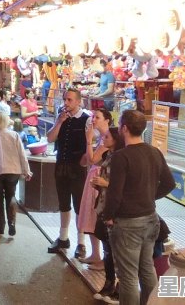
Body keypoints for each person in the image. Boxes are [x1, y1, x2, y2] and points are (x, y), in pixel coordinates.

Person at [102, 110, 175, 305]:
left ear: (124, 128)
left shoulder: (121, 157)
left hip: (127, 224)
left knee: (128, 277)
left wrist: (107, 215)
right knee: (147, 270)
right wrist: (149, 196)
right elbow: (169, 184)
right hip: (151, 220)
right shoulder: (154, 152)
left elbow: (115, 193)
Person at [46, 88, 90, 257]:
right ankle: (63, 238)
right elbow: (50, 139)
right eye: (65, 99)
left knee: (79, 205)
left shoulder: (86, 120)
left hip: (77, 169)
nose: (66, 102)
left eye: (70, 100)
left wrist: (84, 161)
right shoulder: (61, 116)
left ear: (79, 101)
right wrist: (59, 122)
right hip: (61, 166)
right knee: (63, 203)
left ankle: (81, 242)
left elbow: (89, 144)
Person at [77, 108, 114, 270]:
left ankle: (102, 259)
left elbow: (92, 159)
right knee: (91, 217)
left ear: (107, 120)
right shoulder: (101, 138)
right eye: (93, 116)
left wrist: (88, 140)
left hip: (99, 181)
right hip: (94, 178)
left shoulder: (108, 139)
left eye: (97, 117)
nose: (93, 119)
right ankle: (95, 254)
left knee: (96, 215)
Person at [90, 126, 123, 302]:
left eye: (107, 136)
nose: (104, 138)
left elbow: (122, 187)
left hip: (114, 210)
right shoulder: (108, 156)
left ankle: (118, 289)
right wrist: (99, 184)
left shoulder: (120, 158)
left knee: (116, 252)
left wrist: (105, 183)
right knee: (107, 249)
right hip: (102, 207)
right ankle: (109, 284)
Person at [0, 111, 30, 237]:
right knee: (11, 196)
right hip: (14, 170)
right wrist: (26, 170)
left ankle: (0, 226)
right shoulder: (14, 135)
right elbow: (22, 154)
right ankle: (12, 222)